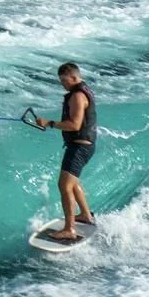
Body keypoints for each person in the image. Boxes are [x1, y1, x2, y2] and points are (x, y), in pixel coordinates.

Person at [30, 63, 99, 244]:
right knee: (73, 183)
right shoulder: (81, 91)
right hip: (82, 145)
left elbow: (75, 125)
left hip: (79, 148)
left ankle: (69, 229)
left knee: (64, 185)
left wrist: (50, 123)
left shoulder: (77, 96)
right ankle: (85, 215)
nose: (63, 85)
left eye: (65, 81)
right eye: (60, 81)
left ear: (75, 78)